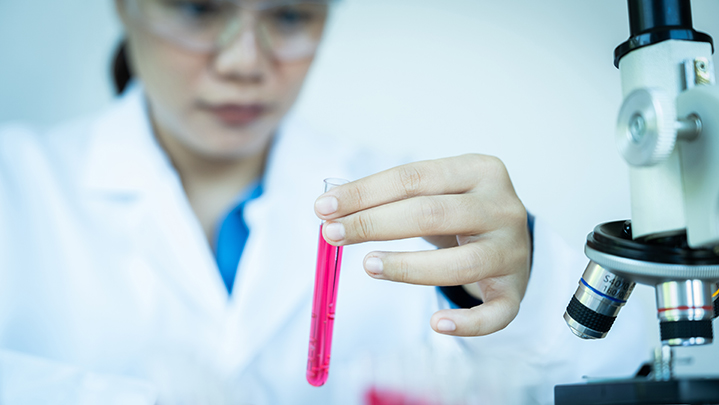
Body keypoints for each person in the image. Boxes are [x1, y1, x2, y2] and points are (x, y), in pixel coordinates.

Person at [0, 0, 652, 404]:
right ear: (124, 6)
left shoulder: (411, 202)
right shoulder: (16, 181)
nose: (243, 62)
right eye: (198, 8)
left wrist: (527, 291)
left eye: (287, 15)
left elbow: (624, 372)